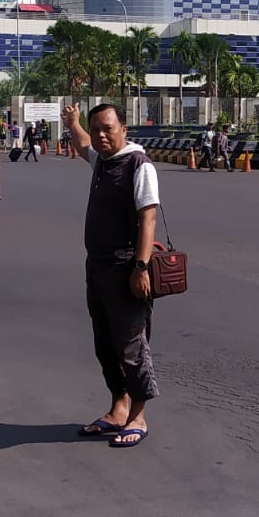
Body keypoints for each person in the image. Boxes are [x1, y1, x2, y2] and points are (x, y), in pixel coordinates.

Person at [63, 102, 161, 448]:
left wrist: (140, 267)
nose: (101, 135)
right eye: (96, 129)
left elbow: (148, 218)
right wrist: (73, 123)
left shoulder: (138, 164)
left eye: (108, 128)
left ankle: (138, 415)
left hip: (125, 267)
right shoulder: (103, 161)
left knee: (131, 346)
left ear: (124, 130)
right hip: (97, 266)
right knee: (105, 344)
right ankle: (119, 407)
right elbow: (81, 144)